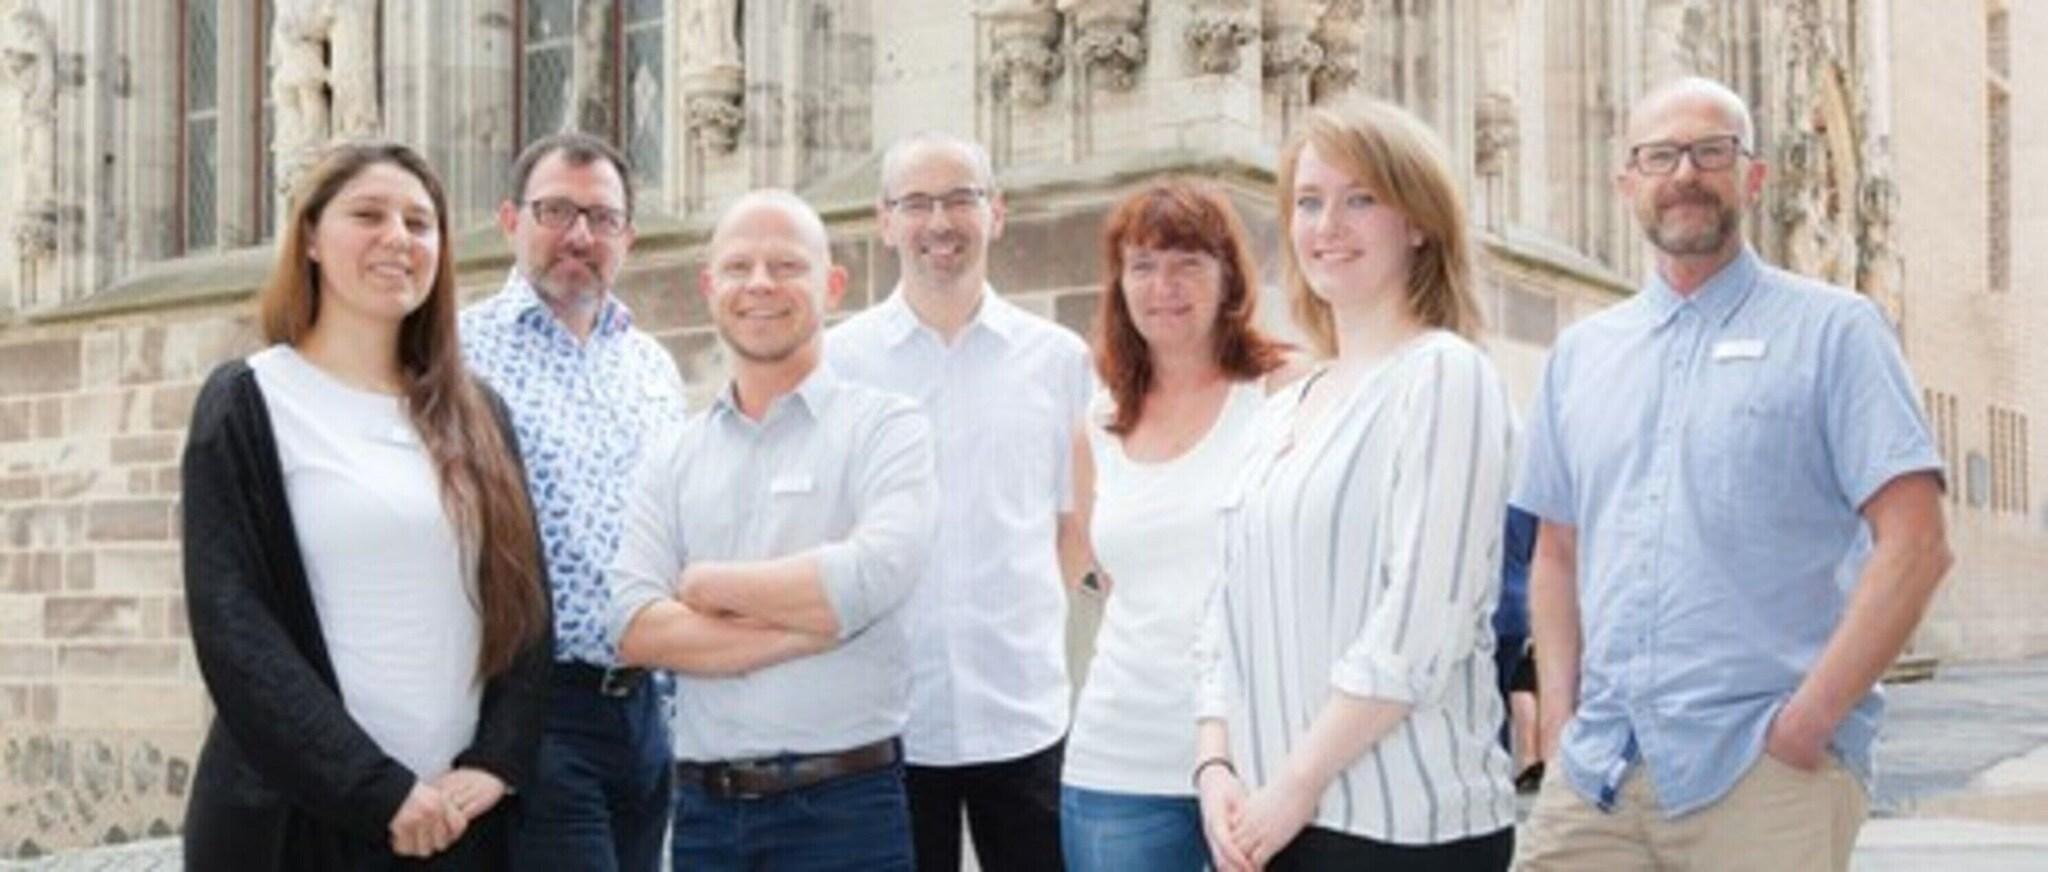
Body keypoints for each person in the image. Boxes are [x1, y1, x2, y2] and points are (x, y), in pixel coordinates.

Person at [1513, 77, 1952, 871]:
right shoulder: (1582, 354)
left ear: (1753, 176)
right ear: (1626, 182)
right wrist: (1558, 725)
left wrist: (1810, 722)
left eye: (1710, 152)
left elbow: (1917, 545)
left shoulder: (1836, 331)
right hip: (1598, 773)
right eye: (1660, 156)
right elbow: (1556, 551)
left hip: (1763, 771)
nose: (1685, 173)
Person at [180, 141, 552, 870]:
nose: (398, 238)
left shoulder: (477, 413)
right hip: (299, 826)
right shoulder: (251, 401)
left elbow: (527, 603)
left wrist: (497, 761)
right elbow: (234, 626)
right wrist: (376, 791)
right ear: (311, 238)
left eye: (419, 222)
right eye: (368, 215)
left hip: (455, 823)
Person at [1191, 99, 1519, 872]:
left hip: (1396, 828)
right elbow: (1222, 613)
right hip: (1261, 818)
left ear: (1419, 223)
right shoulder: (1284, 405)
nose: (1327, 225)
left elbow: (1421, 626)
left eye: (1361, 198)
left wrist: (1295, 787)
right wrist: (1214, 767)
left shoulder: (1445, 375)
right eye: (1309, 202)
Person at [608, 189, 937, 871]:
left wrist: (706, 586)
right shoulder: (672, 455)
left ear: (833, 285)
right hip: (705, 821)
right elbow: (636, 627)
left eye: (787, 265)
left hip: (846, 813)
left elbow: (874, 575)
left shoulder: (886, 428)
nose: (760, 283)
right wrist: (820, 625)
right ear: (709, 288)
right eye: (738, 267)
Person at [826, 132, 1093, 872]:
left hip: (1023, 711)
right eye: (916, 203)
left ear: (996, 213)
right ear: (884, 221)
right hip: (888, 721)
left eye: (959, 199)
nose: (939, 222)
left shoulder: (1058, 359)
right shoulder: (840, 365)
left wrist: (1021, 617)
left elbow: (1076, 525)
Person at [459, 132, 687, 872]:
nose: (580, 236)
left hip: (647, 711)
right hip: (538, 707)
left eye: (602, 218)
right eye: (556, 211)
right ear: (510, 221)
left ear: (628, 237)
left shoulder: (651, 366)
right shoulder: (459, 355)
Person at [1059, 179, 1295, 871]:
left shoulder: (1284, 394)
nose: (1164, 286)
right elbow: (1098, 573)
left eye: (1188, 262)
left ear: (1230, 278)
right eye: (1143, 265)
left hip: (1264, 757)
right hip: (1121, 763)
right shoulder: (1100, 423)